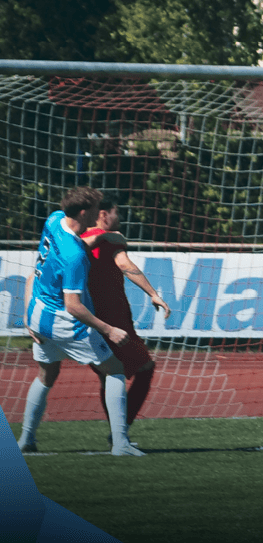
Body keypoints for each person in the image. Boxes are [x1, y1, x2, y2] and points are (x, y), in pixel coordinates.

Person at [18, 187, 144, 456]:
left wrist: (104, 235)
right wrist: (109, 329)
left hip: (38, 314)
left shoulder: (53, 219)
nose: (101, 213)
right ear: (85, 213)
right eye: (97, 209)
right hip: (64, 322)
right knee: (115, 369)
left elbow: (44, 266)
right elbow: (73, 306)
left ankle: (26, 440)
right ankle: (121, 444)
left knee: (47, 374)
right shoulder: (74, 256)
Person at [81, 197, 171, 446]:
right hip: (114, 320)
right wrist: (153, 293)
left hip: (86, 319)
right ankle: (121, 431)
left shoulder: (74, 239)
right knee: (145, 369)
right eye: (116, 212)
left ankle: (117, 433)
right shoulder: (109, 238)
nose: (118, 217)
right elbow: (125, 265)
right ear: (103, 214)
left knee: (106, 375)